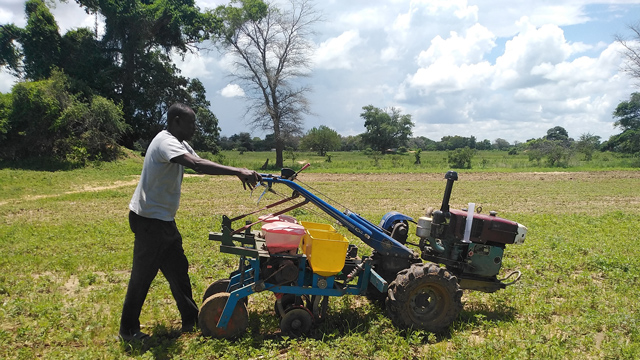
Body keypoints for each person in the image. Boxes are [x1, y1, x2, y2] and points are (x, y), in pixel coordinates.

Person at [119, 103, 261, 342]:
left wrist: (241, 170)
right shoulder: (165, 141)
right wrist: (237, 171)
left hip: (163, 220)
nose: (194, 128)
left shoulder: (180, 143)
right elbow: (195, 165)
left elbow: (200, 162)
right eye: (191, 123)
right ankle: (128, 330)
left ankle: (190, 318)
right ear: (176, 121)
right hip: (149, 220)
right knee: (142, 277)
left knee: (178, 270)